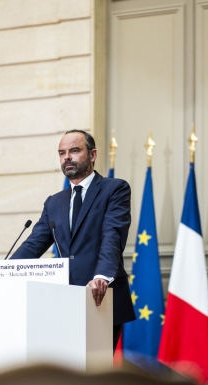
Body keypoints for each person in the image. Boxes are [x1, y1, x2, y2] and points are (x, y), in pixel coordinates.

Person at [11, 129, 136, 350]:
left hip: (100, 296)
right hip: (63, 301)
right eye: (62, 153)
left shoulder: (114, 189)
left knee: (94, 376)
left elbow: (112, 235)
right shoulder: (54, 202)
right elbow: (33, 244)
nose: (67, 157)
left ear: (93, 155)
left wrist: (101, 277)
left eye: (74, 151)